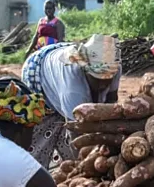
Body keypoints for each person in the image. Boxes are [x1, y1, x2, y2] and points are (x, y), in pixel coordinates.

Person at [22, 34, 121, 168]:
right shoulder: (73, 87)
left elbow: (112, 102)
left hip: (58, 55)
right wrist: (88, 163)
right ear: (85, 70)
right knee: (48, 130)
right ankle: (32, 172)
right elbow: (76, 129)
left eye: (106, 80)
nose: (102, 85)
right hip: (38, 71)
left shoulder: (113, 67)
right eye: (97, 79)